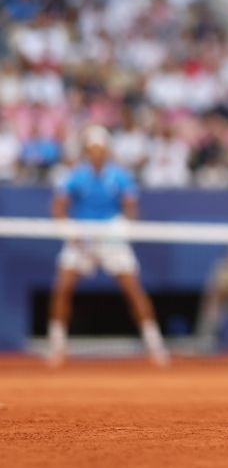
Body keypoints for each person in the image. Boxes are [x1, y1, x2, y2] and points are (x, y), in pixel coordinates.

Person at [47, 126, 169, 367]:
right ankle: (58, 346)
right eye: (91, 149)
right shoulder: (75, 175)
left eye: (100, 149)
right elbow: (58, 206)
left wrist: (122, 226)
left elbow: (130, 206)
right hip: (82, 237)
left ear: (106, 150)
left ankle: (155, 345)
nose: (96, 154)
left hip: (111, 237)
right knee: (62, 287)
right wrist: (69, 231)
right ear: (86, 151)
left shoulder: (119, 175)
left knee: (133, 289)